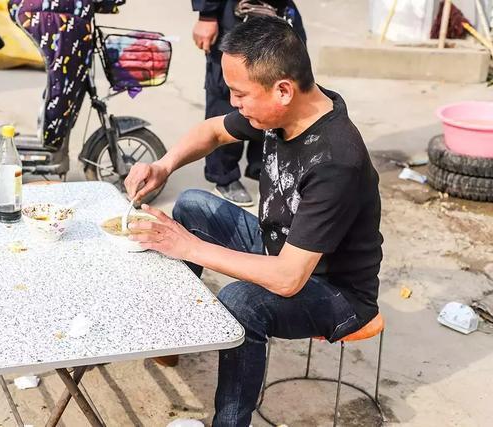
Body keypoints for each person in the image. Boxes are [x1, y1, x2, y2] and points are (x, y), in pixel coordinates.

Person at [124, 16, 383, 426]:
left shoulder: (336, 159)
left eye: (240, 93)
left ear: (282, 90)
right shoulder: (285, 108)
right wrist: (164, 165)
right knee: (192, 204)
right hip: (279, 247)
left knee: (241, 301)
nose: (234, 104)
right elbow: (212, 132)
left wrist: (186, 246)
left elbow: (287, 279)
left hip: (335, 292)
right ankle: (175, 336)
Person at [191, 0, 306, 206]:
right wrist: (206, 15)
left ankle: (262, 166)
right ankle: (224, 176)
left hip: (279, 12)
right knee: (230, 94)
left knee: (279, 86)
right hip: (236, 13)